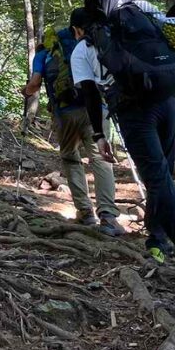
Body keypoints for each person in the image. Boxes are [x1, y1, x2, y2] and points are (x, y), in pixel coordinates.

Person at [74, 0, 175, 272]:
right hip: (168, 100)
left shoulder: (84, 47)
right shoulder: (143, 19)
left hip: (133, 110)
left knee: (158, 177)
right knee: (162, 174)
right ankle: (157, 241)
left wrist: (100, 135)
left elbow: (90, 95)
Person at [22, 23, 123, 236]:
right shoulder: (90, 46)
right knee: (100, 159)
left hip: (65, 113)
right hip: (96, 109)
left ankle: (85, 212)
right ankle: (108, 216)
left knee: (70, 157)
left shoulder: (43, 55)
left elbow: (35, 84)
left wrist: (26, 92)